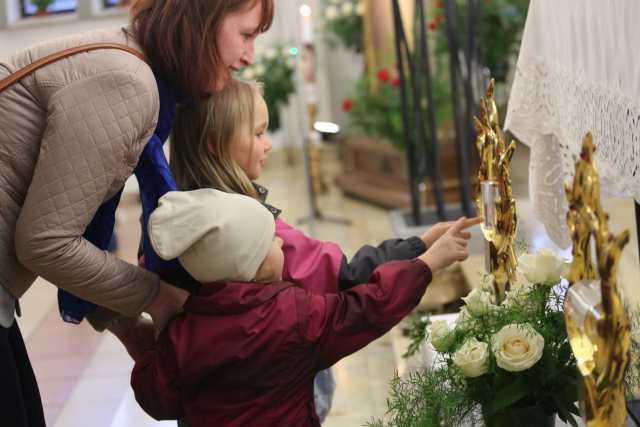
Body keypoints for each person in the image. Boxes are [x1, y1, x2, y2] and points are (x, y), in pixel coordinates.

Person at [0, 1, 274, 425]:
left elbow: (64, 224)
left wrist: (123, 322)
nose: (249, 56)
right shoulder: (127, 82)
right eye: (247, 34)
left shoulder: (129, 67)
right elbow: (46, 243)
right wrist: (157, 296)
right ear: (202, 22)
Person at [168, 78, 483, 421]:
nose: (269, 144)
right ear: (216, 144)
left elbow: (157, 387)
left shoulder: (180, 226)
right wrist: (423, 259)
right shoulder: (252, 235)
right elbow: (347, 285)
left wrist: (417, 245)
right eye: (258, 134)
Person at [131, 188, 477, 427]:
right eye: (270, 241)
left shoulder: (182, 333)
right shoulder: (290, 316)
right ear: (250, 265)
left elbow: (155, 397)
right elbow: (366, 308)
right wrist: (427, 263)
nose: (281, 240)